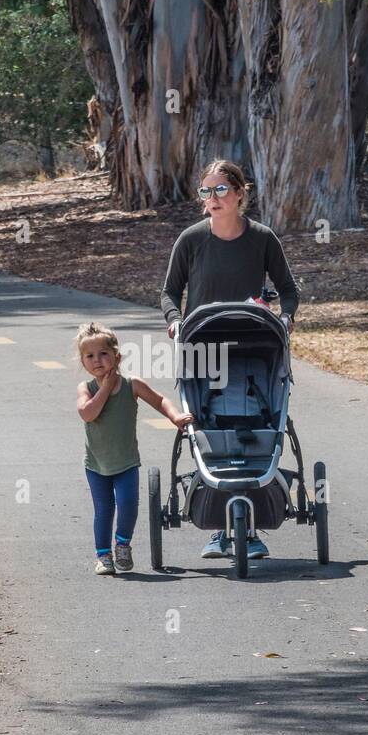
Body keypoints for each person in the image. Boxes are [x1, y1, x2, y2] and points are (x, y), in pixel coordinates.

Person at [160, 159, 299, 560]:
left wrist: (285, 318)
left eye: (221, 190)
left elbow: (288, 290)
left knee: (257, 423)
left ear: (241, 194)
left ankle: (249, 529)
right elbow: (169, 292)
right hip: (204, 345)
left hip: (255, 346)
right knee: (208, 426)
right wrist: (175, 321)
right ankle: (223, 530)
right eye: (206, 191)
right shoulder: (190, 240)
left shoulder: (262, 238)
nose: (213, 198)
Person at [76, 321, 192, 575]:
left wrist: (175, 417)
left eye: (104, 354)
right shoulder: (86, 388)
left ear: (117, 357)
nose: (97, 360)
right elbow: (88, 413)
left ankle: (123, 544)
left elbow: (160, 400)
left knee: (129, 504)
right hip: (96, 464)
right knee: (104, 510)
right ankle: (103, 556)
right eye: (90, 356)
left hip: (126, 462)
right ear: (83, 362)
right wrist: (105, 388)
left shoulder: (132, 384)